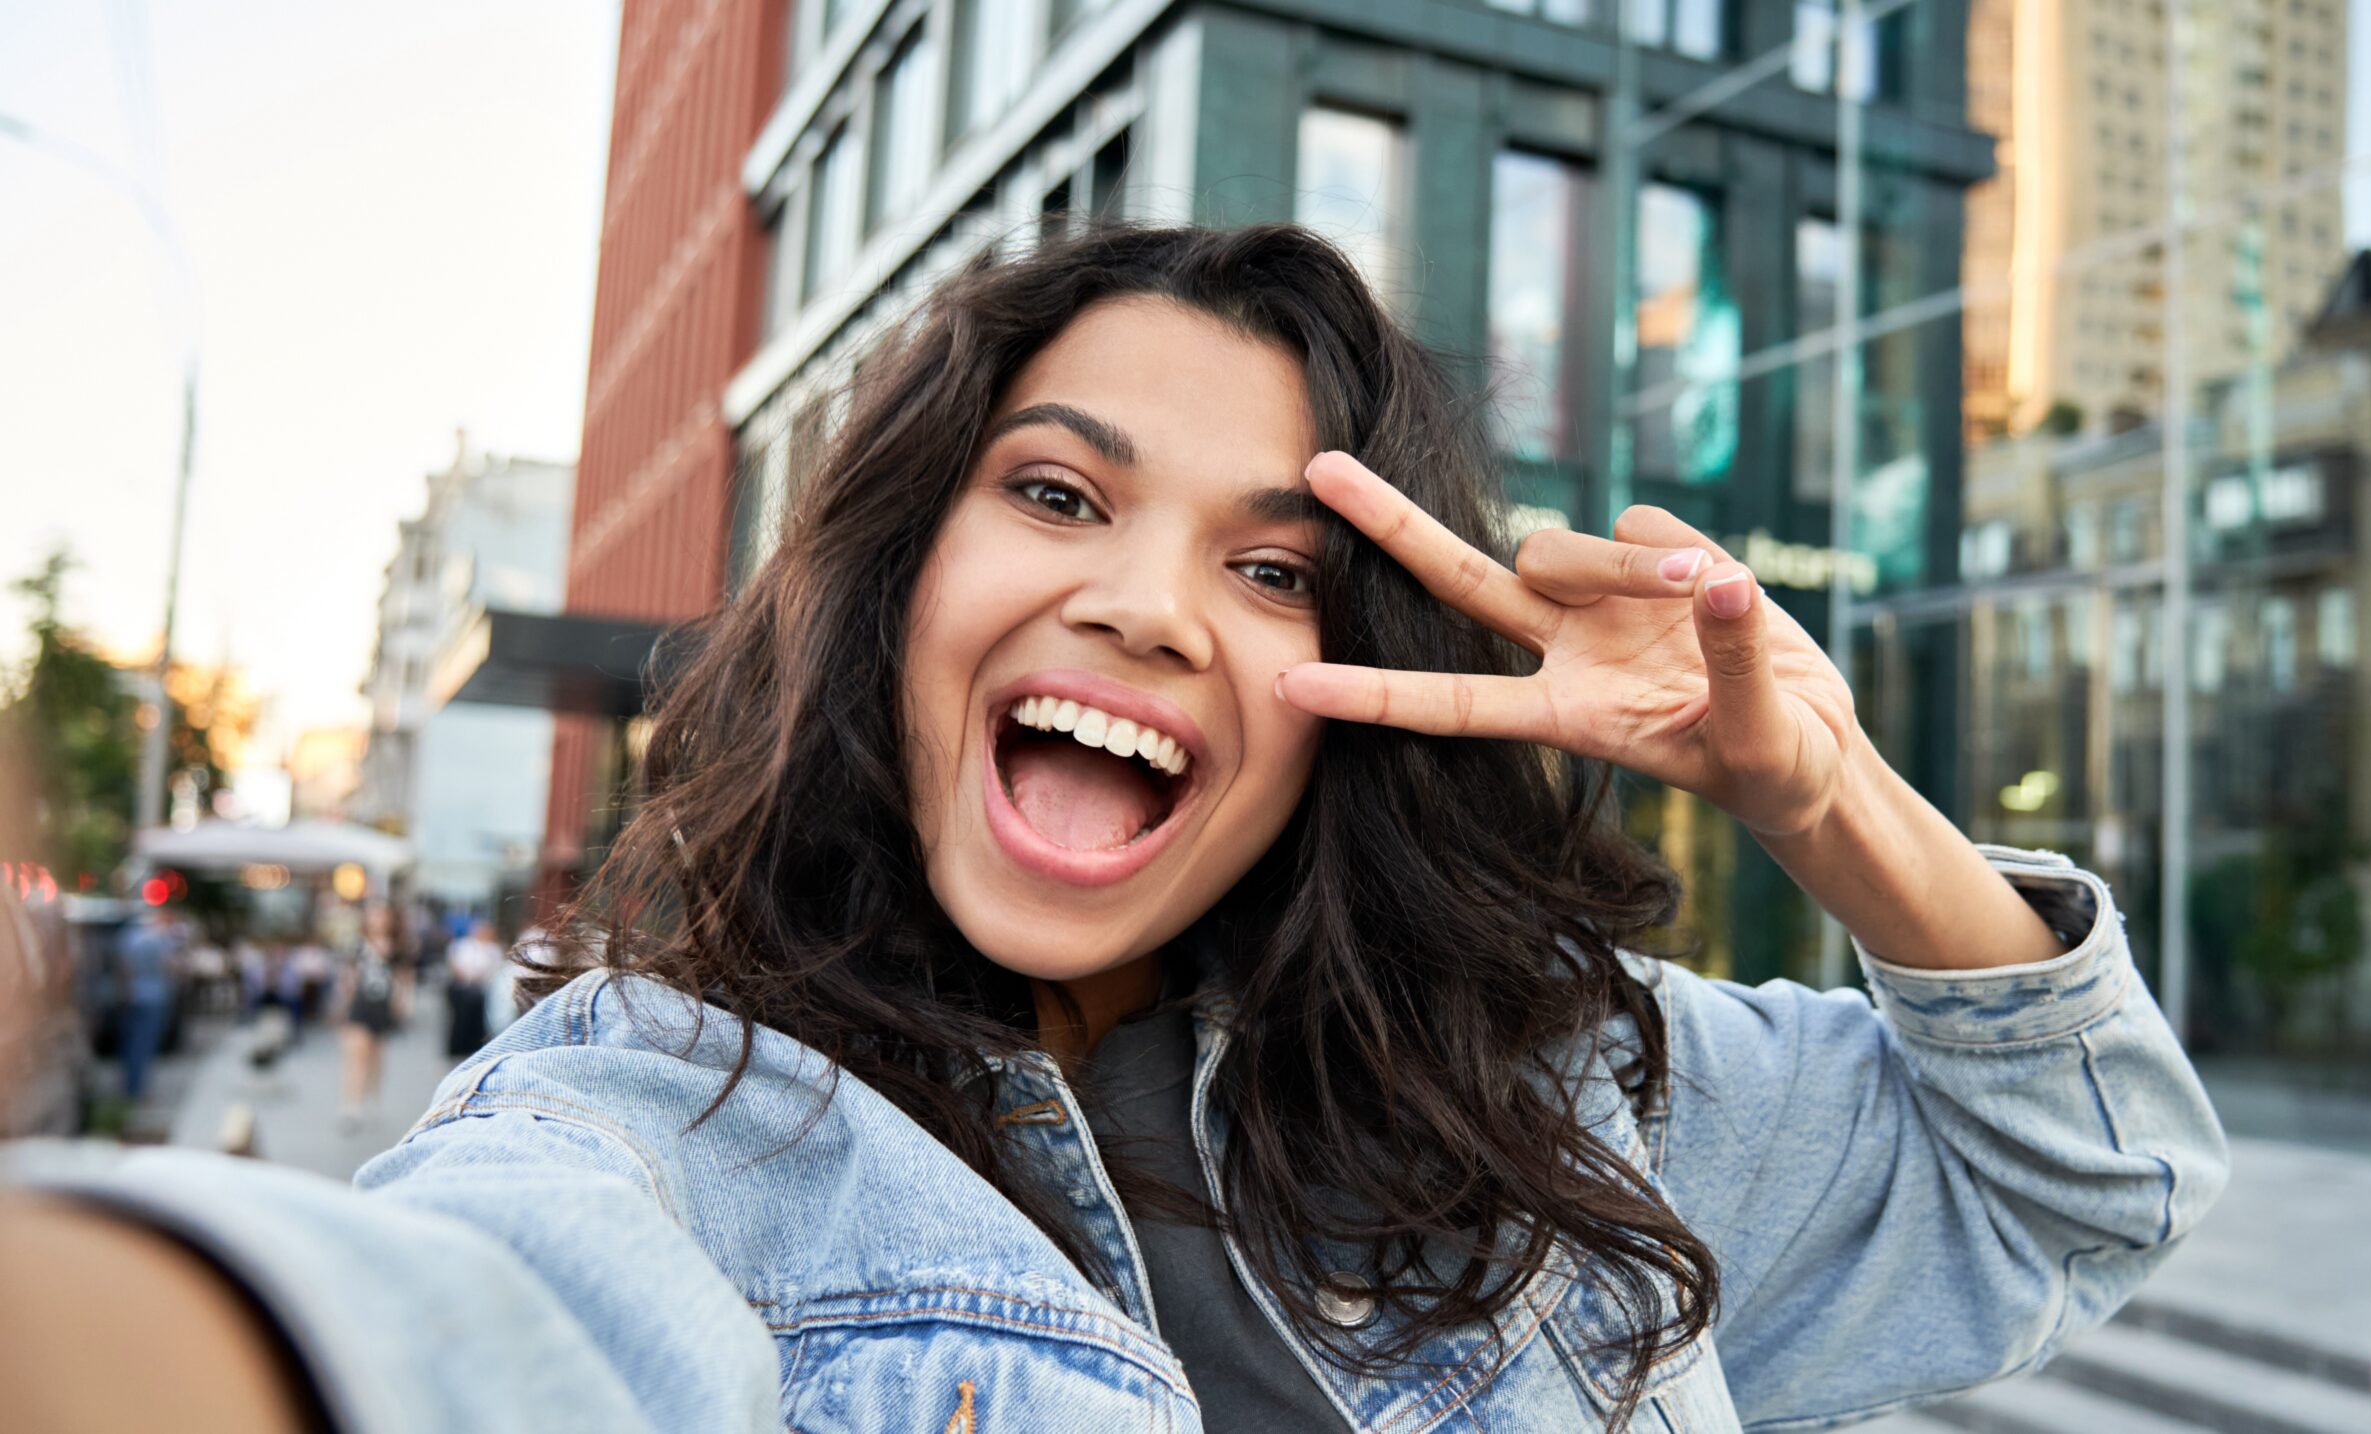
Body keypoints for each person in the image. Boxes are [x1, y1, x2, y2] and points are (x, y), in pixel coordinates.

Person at [0, 225, 2227, 1432]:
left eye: (1272, 570)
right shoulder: (648, 1121)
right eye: (1056, 495)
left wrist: (1815, 789)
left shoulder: (1545, 1093)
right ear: (902, 586)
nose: (1143, 603)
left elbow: (2082, 1181)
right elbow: (459, 1324)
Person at [333, 905, 401, 1130]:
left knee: (377, 1055)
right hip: (359, 1004)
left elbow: (402, 978)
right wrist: (343, 1007)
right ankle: (352, 1104)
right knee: (356, 1055)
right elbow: (348, 978)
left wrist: (401, 1003)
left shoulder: (396, 947)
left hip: (381, 1006)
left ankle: (373, 1096)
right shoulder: (358, 946)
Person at [107, 907, 181, 1103]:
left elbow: (123, 967)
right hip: (154, 997)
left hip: (134, 996)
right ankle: (138, 1091)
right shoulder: (161, 939)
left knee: (130, 1044)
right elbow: (170, 967)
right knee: (145, 1046)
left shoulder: (129, 936)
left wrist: (127, 990)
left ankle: (128, 1087)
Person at [442, 918, 501, 1058]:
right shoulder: (464, 945)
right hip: (463, 988)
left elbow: (495, 968)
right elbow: (455, 965)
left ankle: (474, 1049)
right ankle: (456, 1050)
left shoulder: (493, 949)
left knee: (478, 1023)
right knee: (460, 1021)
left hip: (482, 990)